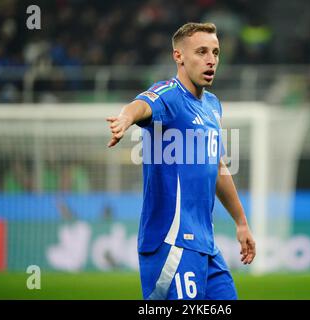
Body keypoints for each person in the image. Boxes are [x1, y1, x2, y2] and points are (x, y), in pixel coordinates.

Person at [106, 22, 256, 300]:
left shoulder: (212, 105)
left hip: (206, 246)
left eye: (215, 52)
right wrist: (126, 118)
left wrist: (241, 222)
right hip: (171, 243)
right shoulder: (169, 95)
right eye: (201, 52)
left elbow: (218, 166)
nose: (211, 60)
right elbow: (142, 105)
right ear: (179, 57)